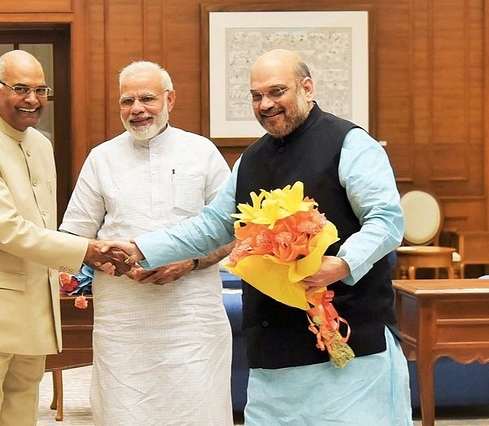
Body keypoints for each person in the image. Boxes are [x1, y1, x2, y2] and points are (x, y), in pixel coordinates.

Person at [114, 49, 413, 425]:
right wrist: (141, 248)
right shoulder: (249, 160)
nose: (266, 104)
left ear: (307, 88)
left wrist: (341, 263)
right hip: (273, 352)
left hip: (351, 345)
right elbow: (212, 226)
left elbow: (385, 220)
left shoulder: (350, 143)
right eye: (256, 96)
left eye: (276, 92)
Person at [0, 50, 130, 426]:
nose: (33, 99)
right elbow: (6, 229)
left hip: (32, 316)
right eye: (20, 88)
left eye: (41, 89)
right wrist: (83, 250)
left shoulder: (41, 144)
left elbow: (39, 223)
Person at [59, 60, 235, 425]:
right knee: (125, 408)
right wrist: (104, 258)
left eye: (147, 99)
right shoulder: (101, 158)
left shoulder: (202, 152)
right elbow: (74, 234)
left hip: (192, 313)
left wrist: (190, 262)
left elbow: (234, 228)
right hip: (124, 315)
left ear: (170, 99)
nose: (136, 109)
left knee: (197, 405)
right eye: (127, 101)